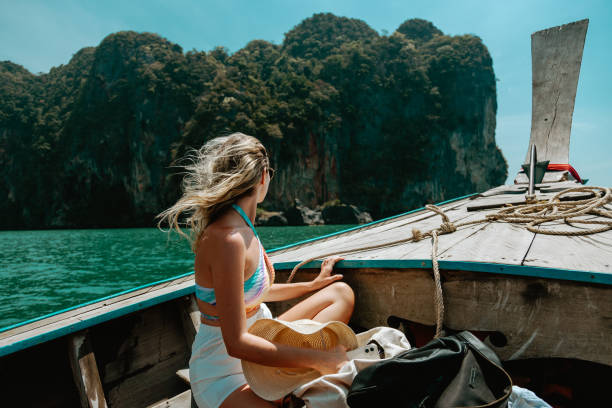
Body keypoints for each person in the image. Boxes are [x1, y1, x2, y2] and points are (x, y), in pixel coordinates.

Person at [157, 133, 355, 408]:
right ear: (263, 176)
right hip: (225, 370)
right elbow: (236, 344)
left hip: (263, 334)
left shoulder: (244, 227)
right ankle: (294, 379)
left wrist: (311, 286)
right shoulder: (227, 240)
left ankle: (288, 380)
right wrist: (319, 360)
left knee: (340, 294)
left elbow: (250, 291)